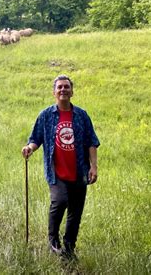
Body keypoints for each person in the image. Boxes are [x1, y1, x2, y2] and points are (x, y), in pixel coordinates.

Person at [22, 74, 100, 260]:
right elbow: (36, 139)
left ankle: (69, 247)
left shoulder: (81, 115)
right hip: (56, 172)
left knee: (76, 210)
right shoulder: (46, 115)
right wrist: (29, 148)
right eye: (60, 87)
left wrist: (94, 167)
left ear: (72, 91)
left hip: (80, 171)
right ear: (54, 92)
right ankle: (53, 240)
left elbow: (91, 142)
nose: (63, 90)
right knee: (60, 201)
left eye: (66, 87)